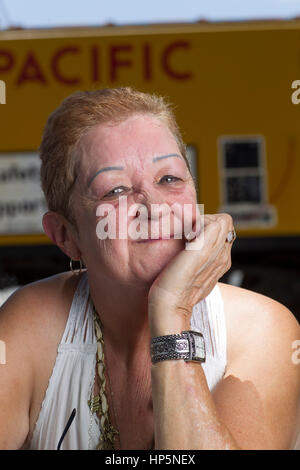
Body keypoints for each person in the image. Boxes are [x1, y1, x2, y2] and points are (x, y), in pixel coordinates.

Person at [0, 87, 299, 450]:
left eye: (169, 179)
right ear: (66, 235)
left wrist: (172, 310)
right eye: (116, 191)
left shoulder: (263, 332)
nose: (155, 207)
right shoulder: (28, 326)